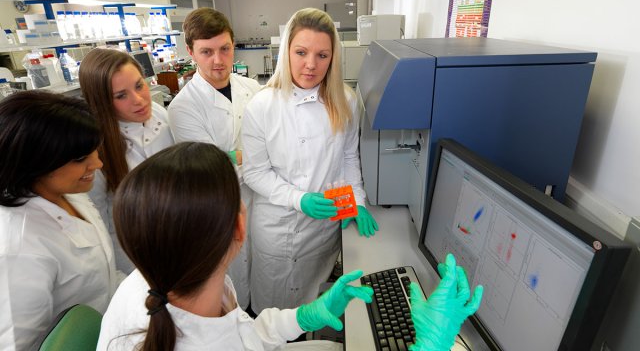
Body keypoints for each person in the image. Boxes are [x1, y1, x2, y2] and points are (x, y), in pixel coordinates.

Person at [97, 142, 483, 350]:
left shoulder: (157, 282)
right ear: (240, 225)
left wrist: (306, 316)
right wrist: (431, 347)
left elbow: (242, 333)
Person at [242, 8, 378, 313]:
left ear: (333, 58)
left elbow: (348, 158)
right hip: (275, 229)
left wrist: (357, 201)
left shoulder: (346, 100)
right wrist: (298, 199)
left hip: (322, 231)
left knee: (315, 308)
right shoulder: (262, 106)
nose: (310, 65)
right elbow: (255, 173)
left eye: (322, 55)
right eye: (301, 52)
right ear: (286, 51)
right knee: (271, 315)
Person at [0, 91, 120, 350]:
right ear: (35, 161)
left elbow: (103, 276)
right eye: (80, 159)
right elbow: (18, 344)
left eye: (94, 152)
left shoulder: (67, 193)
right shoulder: (18, 248)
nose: (97, 163)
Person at [168, 7, 261, 310]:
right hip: (219, 209)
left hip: (261, 198)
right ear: (190, 52)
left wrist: (238, 156)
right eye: (206, 52)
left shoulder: (252, 88)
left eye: (225, 49)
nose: (218, 60)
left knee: (264, 276)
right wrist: (252, 154)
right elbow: (210, 166)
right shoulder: (183, 108)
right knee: (233, 290)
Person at [79, 47, 175, 274]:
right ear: (101, 101)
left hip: (174, 232)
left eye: (139, 85)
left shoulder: (159, 115)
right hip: (132, 253)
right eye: (121, 95)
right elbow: (98, 219)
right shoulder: (96, 148)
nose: (139, 100)